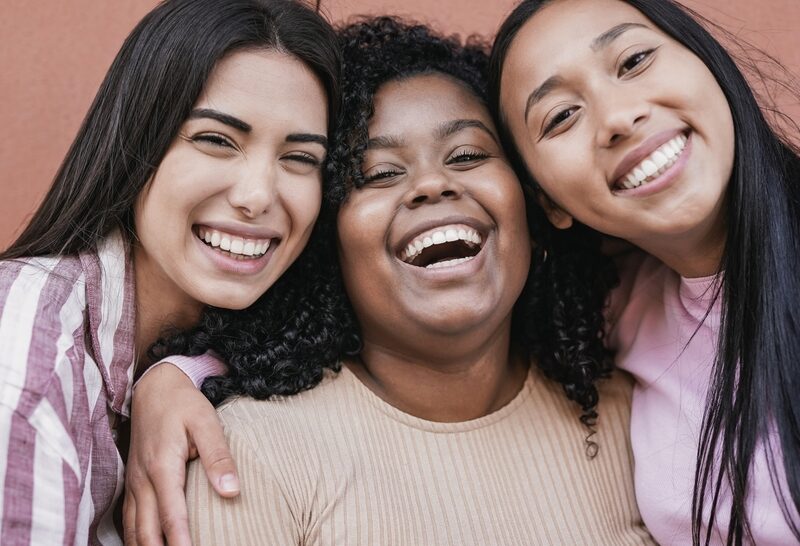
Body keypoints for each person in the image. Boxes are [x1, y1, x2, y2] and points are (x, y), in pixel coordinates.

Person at [137, 16, 652, 545]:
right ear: (327, 247)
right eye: (379, 173)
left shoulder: (641, 424)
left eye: (468, 156)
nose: (431, 184)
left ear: (534, 206)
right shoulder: (249, 454)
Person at [0, 0, 340, 543]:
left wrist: (179, 371)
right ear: (137, 141)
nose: (257, 196)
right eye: (215, 140)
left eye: (301, 158)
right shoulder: (26, 346)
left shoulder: (269, 329)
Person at [489, 0, 800, 543]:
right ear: (550, 204)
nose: (616, 118)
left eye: (633, 61)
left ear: (707, 62)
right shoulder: (609, 319)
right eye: (561, 116)